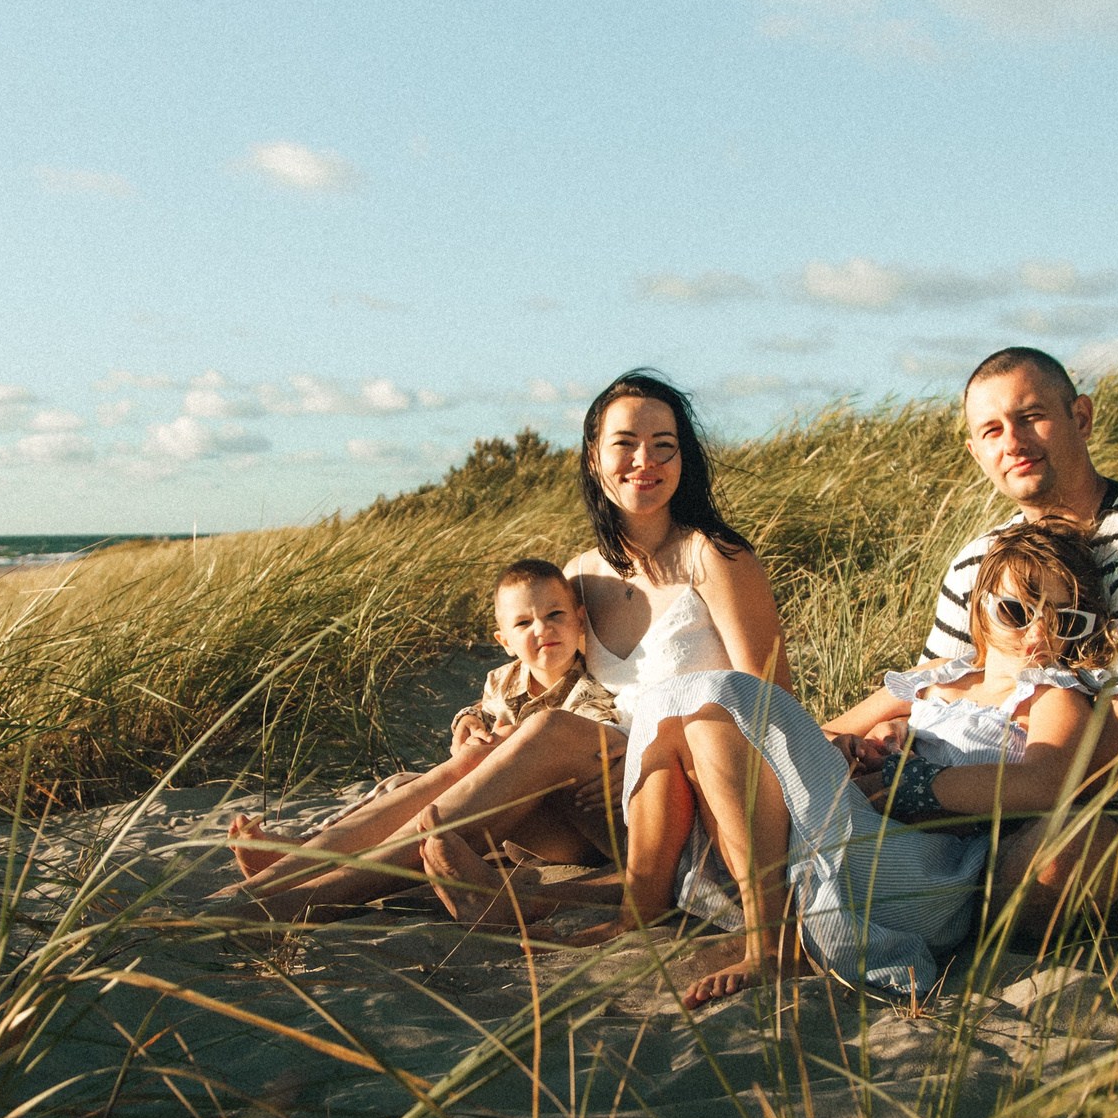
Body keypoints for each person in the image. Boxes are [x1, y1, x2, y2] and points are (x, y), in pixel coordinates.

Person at [230, 371, 788, 923]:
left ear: (682, 460)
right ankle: (302, 862)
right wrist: (471, 719)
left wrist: (652, 757)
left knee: (547, 731)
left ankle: (300, 898)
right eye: (626, 444)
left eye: (664, 447)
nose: (646, 460)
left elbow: (771, 703)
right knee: (478, 755)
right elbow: (534, 669)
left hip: (690, 796)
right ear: (595, 459)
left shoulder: (715, 556)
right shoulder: (579, 576)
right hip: (591, 813)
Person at [585, 520, 1118, 1005]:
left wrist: (910, 783)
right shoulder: (942, 674)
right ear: (982, 603)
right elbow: (830, 729)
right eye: (1017, 610)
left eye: (1064, 621)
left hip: (928, 871)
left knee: (724, 693)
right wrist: (842, 749)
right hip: (852, 833)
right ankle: (643, 906)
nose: (1037, 635)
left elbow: (1045, 784)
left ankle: (769, 945)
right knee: (695, 715)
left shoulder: (1053, 696)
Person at [922, 346, 1118, 946]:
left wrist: (917, 794)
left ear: (1082, 418)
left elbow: (1115, 759)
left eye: (1032, 415)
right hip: (966, 811)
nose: (1012, 441)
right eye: (991, 430)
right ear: (976, 453)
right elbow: (929, 700)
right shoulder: (976, 563)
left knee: (1060, 854)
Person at [221, 558, 617, 899]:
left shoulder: (589, 692)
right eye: (524, 622)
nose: (541, 630)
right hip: (495, 817)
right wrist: (468, 722)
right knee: (402, 785)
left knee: (441, 790)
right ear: (505, 641)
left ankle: (317, 863)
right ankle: (307, 849)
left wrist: (490, 748)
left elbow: (575, 752)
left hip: (558, 825)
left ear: (580, 619)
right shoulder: (502, 679)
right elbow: (481, 713)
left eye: (555, 616)